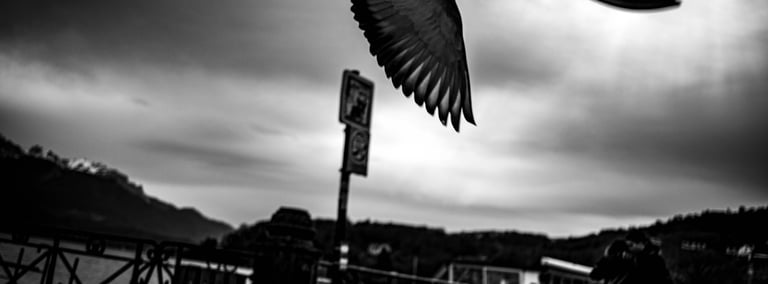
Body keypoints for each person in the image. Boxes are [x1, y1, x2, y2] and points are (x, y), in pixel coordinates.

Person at [590, 231, 674, 284]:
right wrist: (610, 257)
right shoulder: (622, 258)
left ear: (642, 244)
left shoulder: (653, 260)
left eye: (631, 245)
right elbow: (595, 274)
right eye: (628, 245)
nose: (629, 248)